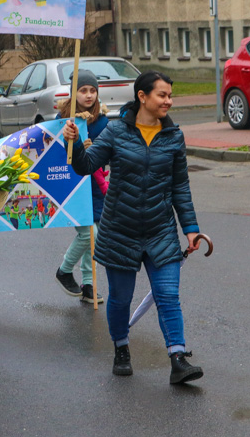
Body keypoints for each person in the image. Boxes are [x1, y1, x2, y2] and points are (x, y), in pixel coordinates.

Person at [63, 71, 204, 384]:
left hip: (161, 230)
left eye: (170, 95)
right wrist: (71, 144)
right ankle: (121, 348)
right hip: (120, 229)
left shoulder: (174, 136)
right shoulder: (116, 132)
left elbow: (181, 186)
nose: (168, 101)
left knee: (168, 295)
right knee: (120, 299)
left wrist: (190, 228)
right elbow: (86, 166)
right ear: (143, 97)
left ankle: (178, 359)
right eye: (162, 95)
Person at [54, 71, 109, 305]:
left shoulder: (103, 121)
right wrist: (72, 143)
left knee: (93, 237)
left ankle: (89, 285)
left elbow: (108, 151)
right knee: (89, 234)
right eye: (83, 90)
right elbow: (54, 152)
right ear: (73, 93)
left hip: (96, 186)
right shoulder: (63, 120)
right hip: (73, 185)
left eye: (93, 90)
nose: (88, 95)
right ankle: (64, 270)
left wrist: (93, 148)